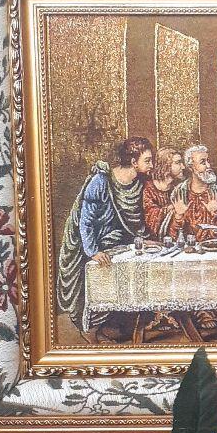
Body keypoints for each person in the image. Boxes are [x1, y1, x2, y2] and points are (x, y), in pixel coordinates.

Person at [56, 137, 152, 329]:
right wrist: (93, 251)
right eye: (148, 160)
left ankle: (128, 324)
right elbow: (86, 221)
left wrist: (141, 240)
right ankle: (98, 328)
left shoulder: (139, 183)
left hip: (118, 243)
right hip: (93, 243)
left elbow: (132, 224)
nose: (152, 165)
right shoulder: (101, 181)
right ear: (134, 162)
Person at [168, 144, 217, 240]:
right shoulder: (179, 193)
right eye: (203, 162)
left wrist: (214, 214)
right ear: (191, 167)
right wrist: (178, 216)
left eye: (208, 161)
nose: (208, 166)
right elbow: (173, 236)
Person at [142, 147, 186, 240]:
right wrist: (171, 208)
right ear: (166, 165)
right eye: (178, 163)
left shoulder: (179, 188)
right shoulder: (148, 188)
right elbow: (150, 220)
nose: (183, 167)